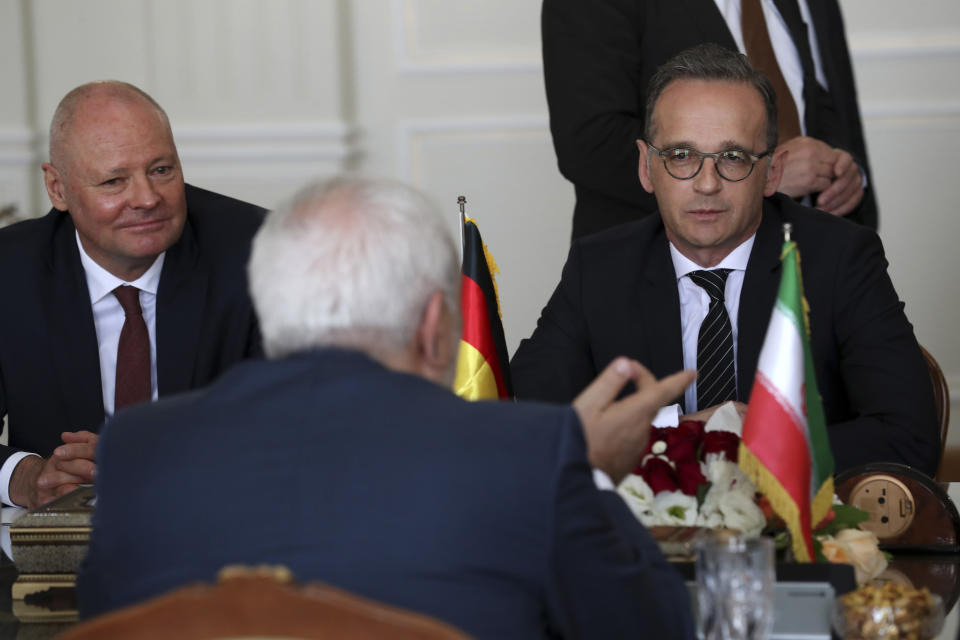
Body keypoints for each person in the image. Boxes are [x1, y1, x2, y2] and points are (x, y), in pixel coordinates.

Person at [78, 178, 697, 639]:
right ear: (435, 327)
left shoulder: (136, 446)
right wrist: (588, 472)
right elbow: (656, 628)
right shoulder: (530, 454)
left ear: (270, 310)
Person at [512, 44, 939, 476]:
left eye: (733, 157)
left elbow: (909, 436)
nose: (707, 184)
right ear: (646, 167)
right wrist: (677, 436)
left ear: (773, 171)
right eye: (682, 155)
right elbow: (521, 420)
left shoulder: (840, 258)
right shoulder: (600, 267)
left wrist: (754, 438)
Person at [0, 81, 265, 508]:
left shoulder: (261, 254)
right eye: (113, 181)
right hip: (58, 549)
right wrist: (24, 477)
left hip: (225, 525)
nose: (147, 199)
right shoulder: (9, 273)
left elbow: (305, 424)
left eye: (161, 170)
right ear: (57, 188)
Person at [543, 0, 877, 239]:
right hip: (658, 285)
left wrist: (844, 168)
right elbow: (591, 143)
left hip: (815, 269)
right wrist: (756, 174)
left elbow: (819, 96)